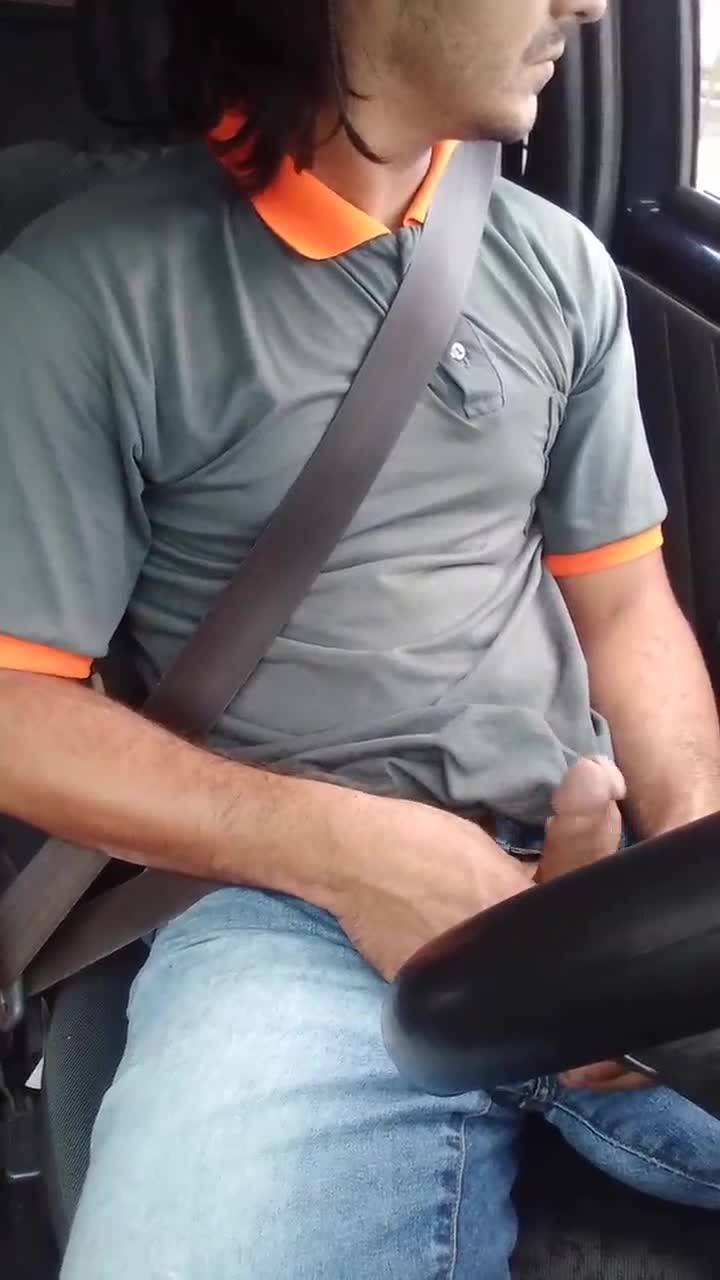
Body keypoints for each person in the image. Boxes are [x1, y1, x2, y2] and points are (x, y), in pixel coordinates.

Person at [1, 0, 719, 1274]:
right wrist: (350, 851)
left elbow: (626, 608)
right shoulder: (84, 289)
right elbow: (16, 708)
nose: (592, 6)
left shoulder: (560, 265)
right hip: (284, 916)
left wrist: (678, 901)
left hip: (587, 879)